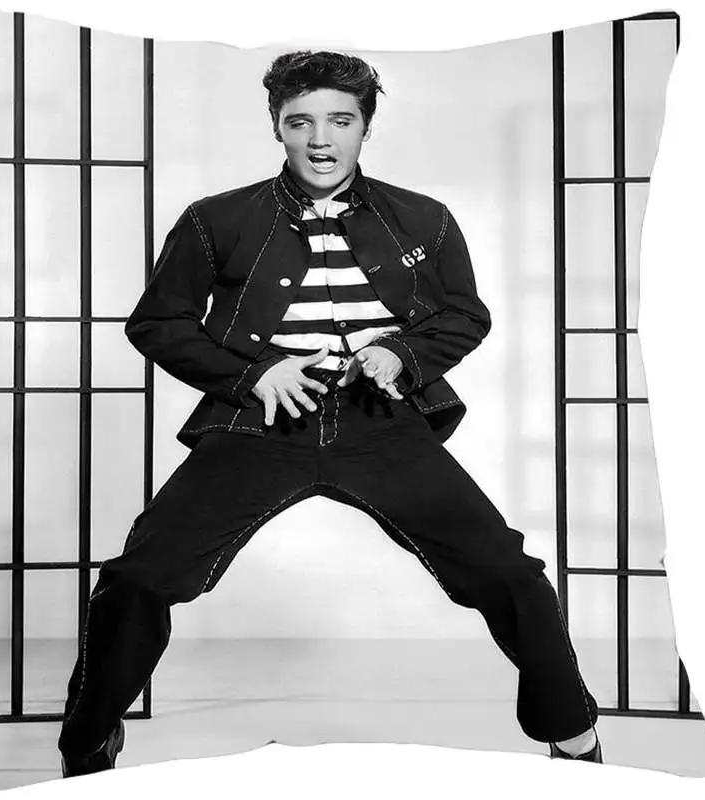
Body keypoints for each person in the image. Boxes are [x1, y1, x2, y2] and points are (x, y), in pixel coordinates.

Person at [57, 49, 602, 777]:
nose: (321, 139)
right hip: (259, 424)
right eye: (301, 122)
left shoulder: (425, 219)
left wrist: (402, 355)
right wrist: (255, 373)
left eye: (340, 121)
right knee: (137, 579)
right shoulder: (216, 219)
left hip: (382, 423)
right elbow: (158, 322)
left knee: (508, 572)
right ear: (277, 127)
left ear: (365, 127)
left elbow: (466, 315)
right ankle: (88, 743)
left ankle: (572, 733)